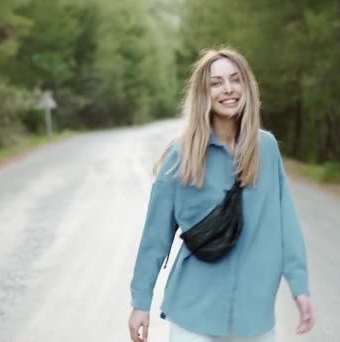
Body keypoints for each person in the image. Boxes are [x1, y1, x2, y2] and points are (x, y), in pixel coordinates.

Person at [128, 47, 315, 342]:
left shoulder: (266, 149)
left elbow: (285, 224)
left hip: (254, 317)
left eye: (235, 79)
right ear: (204, 92)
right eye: (216, 83)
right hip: (194, 315)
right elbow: (155, 236)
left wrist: (300, 286)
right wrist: (141, 302)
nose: (228, 89)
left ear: (247, 86)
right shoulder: (181, 156)